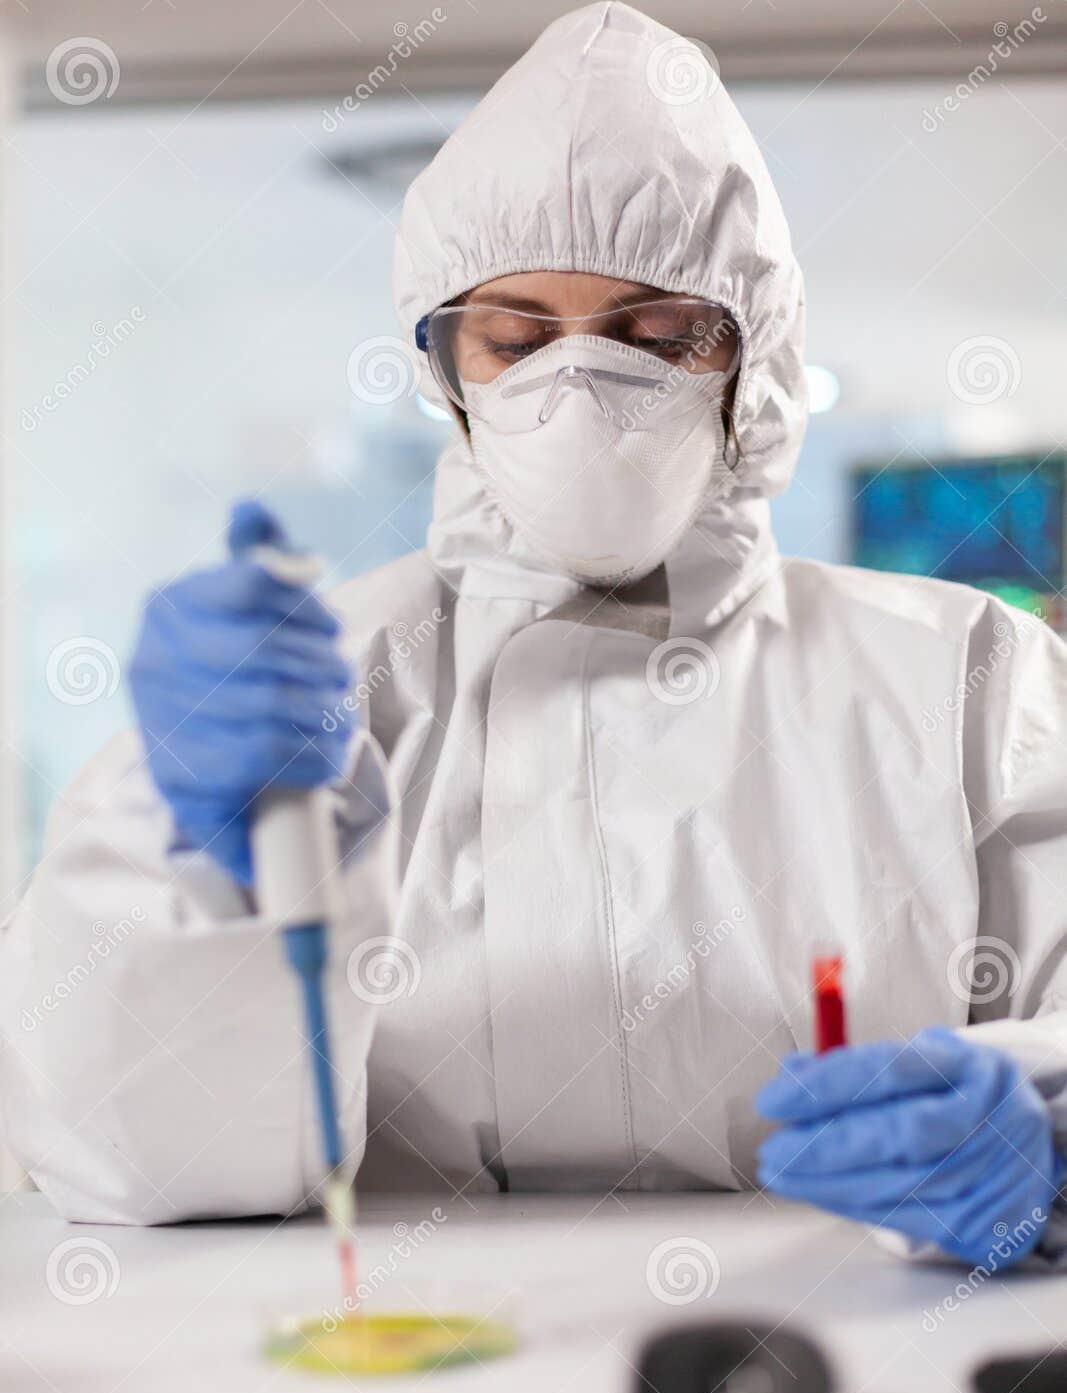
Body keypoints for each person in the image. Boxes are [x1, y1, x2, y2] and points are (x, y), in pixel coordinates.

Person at [2, 3, 1065, 1271]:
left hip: (848, 1362)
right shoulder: (309, 689)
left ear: (754, 361)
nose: (577, 390)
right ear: (447, 370)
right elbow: (115, 1156)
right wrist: (198, 874)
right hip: (394, 1371)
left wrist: (1043, 1133)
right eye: (514, 338)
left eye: (653, 336)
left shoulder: (964, 677)